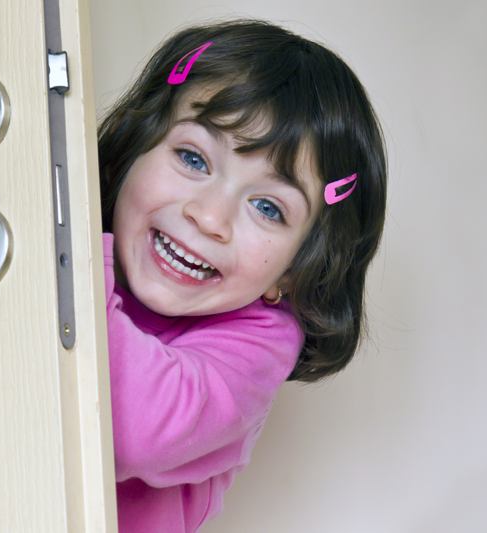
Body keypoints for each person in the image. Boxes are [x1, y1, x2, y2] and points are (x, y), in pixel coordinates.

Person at [97, 19, 387, 532]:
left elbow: (125, 424)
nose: (209, 217)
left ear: (294, 273)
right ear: (135, 146)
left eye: (267, 208)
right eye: (192, 158)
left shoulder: (259, 340)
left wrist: (66, 249)